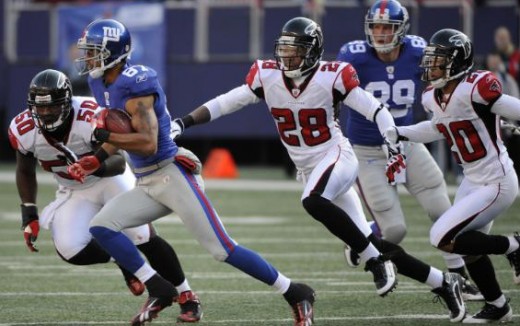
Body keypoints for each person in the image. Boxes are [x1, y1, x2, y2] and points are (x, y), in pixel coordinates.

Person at [170, 16, 469, 322]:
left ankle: (374, 261)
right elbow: (225, 102)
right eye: (284, 49)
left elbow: (375, 109)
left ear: (312, 52)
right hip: (309, 168)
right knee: (370, 239)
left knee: (313, 202)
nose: (287, 57)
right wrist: (184, 122)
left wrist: (391, 140)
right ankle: (443, 283)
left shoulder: (332, 75)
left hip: (336, 155)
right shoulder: (267, 74)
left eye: (295, 50)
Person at [67, 18, 315, 326]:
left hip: (172, 174)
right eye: (87, 50)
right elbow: (123, 134)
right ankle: (159, 287)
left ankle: (295, 291)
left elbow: (146, 142)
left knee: (223, 249)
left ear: (114, 52)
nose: (87, 57)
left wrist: (102, 137)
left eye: (93, 51)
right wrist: (97, 158)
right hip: (146, 180)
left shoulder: (136, 82)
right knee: (102, 227)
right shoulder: (99, 80)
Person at [7, 69, 202, 323]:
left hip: (109, 179)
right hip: (73, 190)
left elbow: (119, 163)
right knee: (70, 248)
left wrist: (93, 165)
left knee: (141, 235)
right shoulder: (23, 129)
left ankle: (187, 296)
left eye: (52, 107)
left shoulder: (90, 114)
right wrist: (29, 212)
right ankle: (127, 264)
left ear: (66, 102)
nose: (45, 113)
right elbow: (24, 170)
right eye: (39, 108)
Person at [336, 0, 482, 301]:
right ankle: (362, 236)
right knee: (395, 231)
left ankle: (459, 277)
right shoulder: (354, 57)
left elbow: (440, 86)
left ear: (401, 29)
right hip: (368, 151)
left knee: (443, 211)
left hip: (407, 143)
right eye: (375, 26)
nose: (379, 33)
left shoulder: (418, 52)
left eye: (386, 27)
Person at [385, 28, 520, 323]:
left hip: (497, 181)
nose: (431, 66)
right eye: (431, 60)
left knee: (441, 236)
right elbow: (438, 127)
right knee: (468, 248)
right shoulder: (433, 96)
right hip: (472, 180)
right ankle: (499, 306)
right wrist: (401, 132)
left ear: (457, 61)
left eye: (439, 60)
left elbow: (514, 108)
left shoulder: (476, 87)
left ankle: (514, 246)